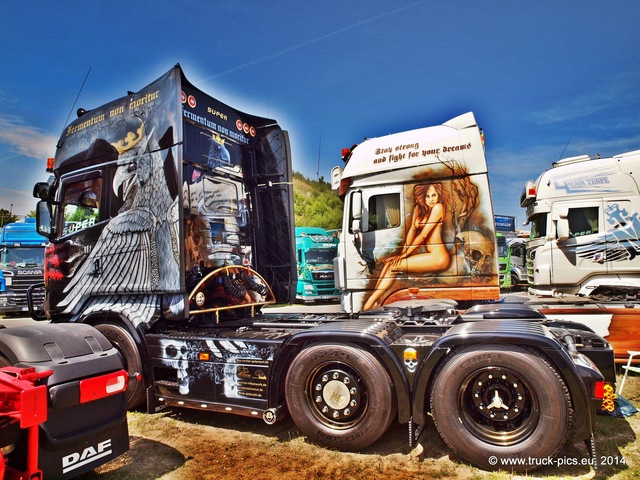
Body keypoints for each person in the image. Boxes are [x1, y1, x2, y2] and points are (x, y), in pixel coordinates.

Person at [362, 182, 451, 310]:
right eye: (427, 196)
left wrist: (404, 255)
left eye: (434, 195)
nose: (430, 200)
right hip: (431, 255)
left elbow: (423, 236)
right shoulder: (418, 209)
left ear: (438, 196)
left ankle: (372, 300)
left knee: (394, 266)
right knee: (390, 264)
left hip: (439, 257)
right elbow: (412, 232)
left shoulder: (438, 208)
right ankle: (377, 300)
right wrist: (402, 254)